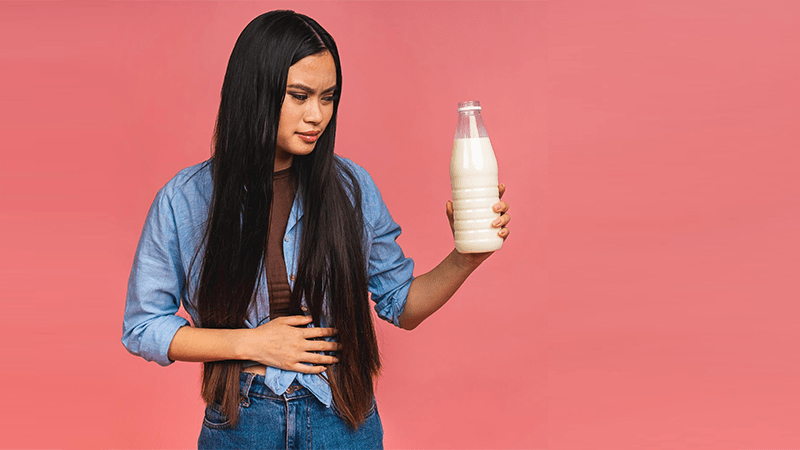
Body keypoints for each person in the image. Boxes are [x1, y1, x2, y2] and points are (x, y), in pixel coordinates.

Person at [121, 10, 510, 450]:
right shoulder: (184, 199)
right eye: (300, 95)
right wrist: (254, 344)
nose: (317, 115)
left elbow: (402, 305)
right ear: (255, 92)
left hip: (342, 420)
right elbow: (143, 326)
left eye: (328, 97)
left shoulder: (351, 188)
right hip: (243, 423)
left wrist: (466, 257)